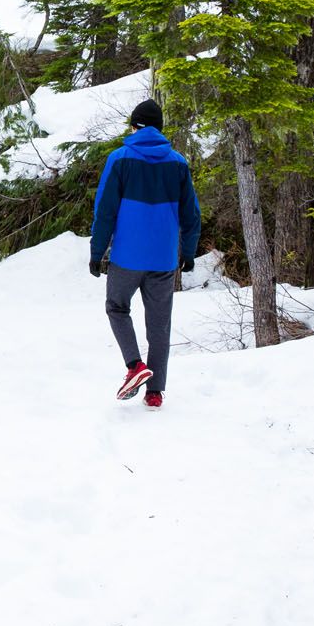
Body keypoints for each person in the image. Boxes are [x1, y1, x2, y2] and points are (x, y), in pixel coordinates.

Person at [88, 99, 200, 409]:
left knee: (117, 307)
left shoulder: (120, 159)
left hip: (127, 256)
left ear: (136, 126)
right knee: (159, 326)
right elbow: (192, 214)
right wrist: (188, 252)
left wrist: (97, 251)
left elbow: (105, 210)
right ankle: (154, 392)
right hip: (164, 259)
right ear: (159, 129)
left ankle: (135, 366)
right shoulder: (178, 163)